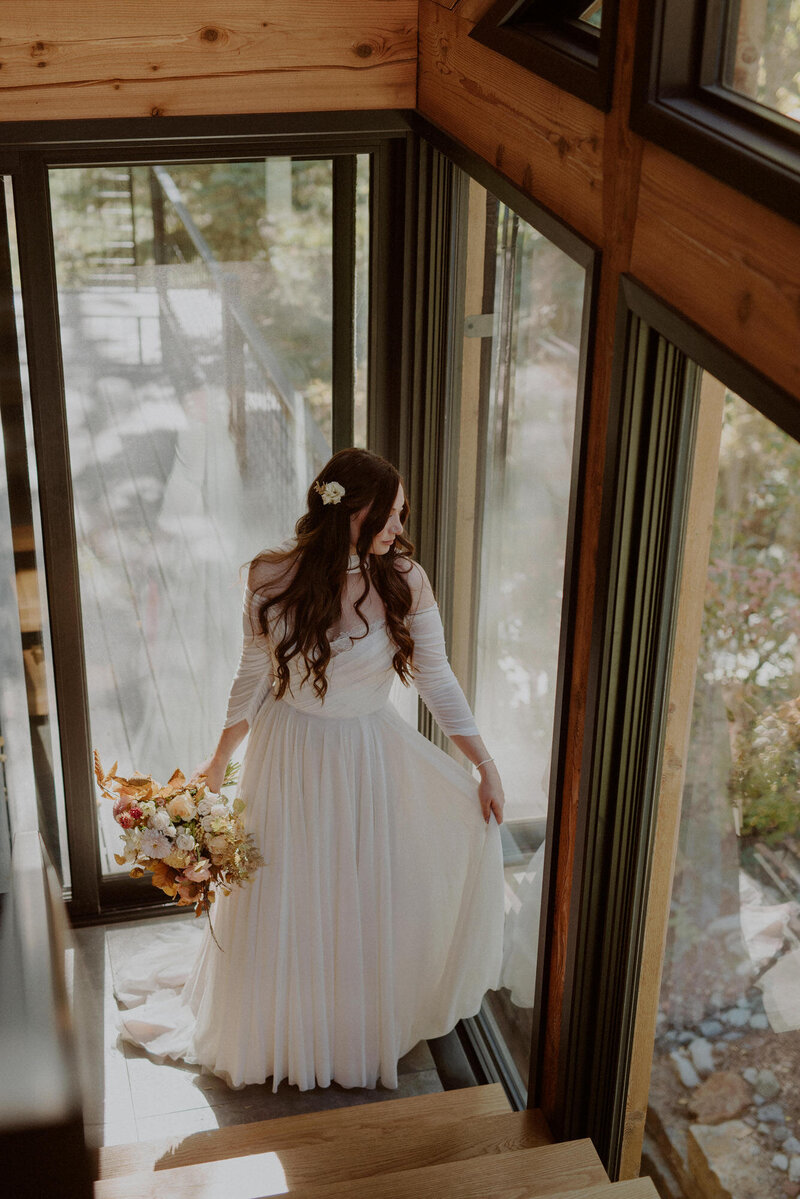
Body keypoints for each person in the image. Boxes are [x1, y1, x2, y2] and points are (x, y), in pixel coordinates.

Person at [116, 447, 506, 1092]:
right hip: (288, 752)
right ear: (355, 511)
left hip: (367, 753)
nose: (399, 527)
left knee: (358, 883)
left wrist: (484, 764)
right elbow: (252, 676)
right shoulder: (271, 575)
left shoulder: (403, 577)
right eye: (391, 513)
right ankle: (284, 1023)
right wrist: (217, 761)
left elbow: (435, 675)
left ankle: (349, 1019)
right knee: (288, 884)